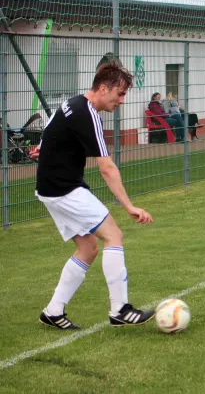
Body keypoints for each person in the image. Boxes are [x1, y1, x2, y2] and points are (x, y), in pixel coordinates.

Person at [31, 61, 155, 330]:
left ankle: (53, 311)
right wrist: (129, 206)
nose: (121, 101)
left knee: (88, 248)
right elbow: (107, 167)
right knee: (114, 235)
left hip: (51, 188)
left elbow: (52, 127)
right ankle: (120, 309)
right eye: (119, 94)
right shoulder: (88, 113)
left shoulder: (72, 104)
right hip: (64, 189)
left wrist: (43, 147)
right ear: (103, 88)